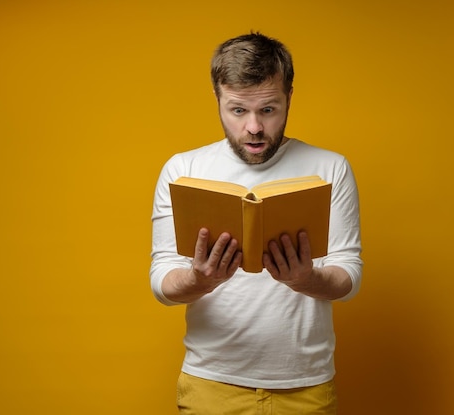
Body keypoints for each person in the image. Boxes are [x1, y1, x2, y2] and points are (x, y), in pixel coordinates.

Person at [150, 32, 363, 414]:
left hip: (306, 386)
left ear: (289, 97)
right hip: (211, 385)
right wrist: (201, 280)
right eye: (237, 110)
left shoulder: (331, 168)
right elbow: (162, 281)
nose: (253, 128)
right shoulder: (183, 170)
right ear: (217, 98)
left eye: (268, 109)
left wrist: (305, 280)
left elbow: (349, 274)